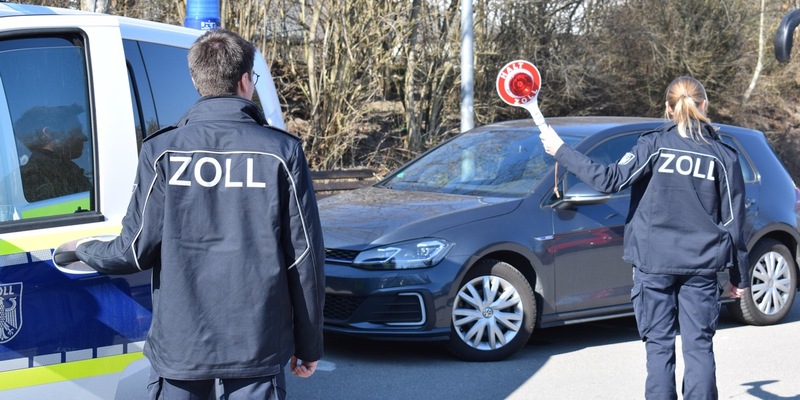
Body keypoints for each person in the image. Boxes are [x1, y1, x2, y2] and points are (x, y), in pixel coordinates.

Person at [56, 29, 325, 400]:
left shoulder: (162, 150)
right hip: (257, 342)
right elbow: (305, 258)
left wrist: (83, 248)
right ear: (245, 80)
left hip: (182, 344)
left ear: (197, 81)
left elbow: (134, 250)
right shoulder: (281, 151)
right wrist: (309, 345)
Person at [539, 76, 749, 399]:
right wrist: (739, 276)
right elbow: (736, 223)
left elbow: (609, 180)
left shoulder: (653, 145)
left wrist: (561, 151)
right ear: (705, 106)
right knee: (699, 349)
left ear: (667, 109)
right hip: (702, 268)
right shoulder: (724, 156)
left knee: (659, 351)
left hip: (654, 267)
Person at [14, 104, 92, 202]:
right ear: (50, 133)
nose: (85, 138)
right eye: (77, 131)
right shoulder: (36, 178)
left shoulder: (62, 168)